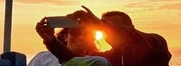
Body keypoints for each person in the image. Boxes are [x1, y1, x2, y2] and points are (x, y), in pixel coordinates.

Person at [41, 6, 172, 66]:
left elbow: (132, 39)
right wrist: (50, 41)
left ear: (131, 28)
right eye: (103, 29)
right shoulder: (106, 58)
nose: (108, 32)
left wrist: (99, 24)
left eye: (111, 27)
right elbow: (75, 60)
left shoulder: (155, 42)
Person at [33, 11, 112, 66]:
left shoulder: (96, 62)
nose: (81, 37)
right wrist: (50, 40)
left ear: (92, 40)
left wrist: (100, 25)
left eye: (88, 35)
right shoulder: (43, 58)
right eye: (75, 32)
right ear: (65, 36)